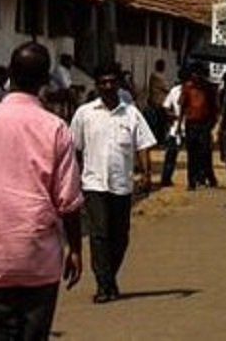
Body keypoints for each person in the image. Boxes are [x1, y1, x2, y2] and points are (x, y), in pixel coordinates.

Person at [0, 42, 84, 338]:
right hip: (38, 258)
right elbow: (68, 201)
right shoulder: (55, 128)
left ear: (9, 75)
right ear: (44, 81)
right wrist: (75, 248)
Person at [70, 62, 156, 303]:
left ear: (119, 84)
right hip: (94, 183)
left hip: (121, 184)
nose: (108, 86)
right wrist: (73, 178)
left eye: (112, 81)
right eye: (103, 82)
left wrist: (147, 174)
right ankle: (103, 285)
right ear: (97, 86)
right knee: (100, 234)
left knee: (120, 236)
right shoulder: (84, 114)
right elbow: (74, 148)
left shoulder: (131, 114)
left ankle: (110, 279)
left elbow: (143, 145)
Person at [181, 66, 220, 190]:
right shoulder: (188, 88)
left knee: (205, 152)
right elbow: (183, 106)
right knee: (192, 154)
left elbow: (214, 107)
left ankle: (208, 177)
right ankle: (191, 181)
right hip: (191, 124)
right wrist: (179, 125)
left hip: (204, 123)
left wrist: (212, 123)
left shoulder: (209, 89)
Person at [160, 73, 185, 187]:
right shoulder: (175, 91)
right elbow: (165, 107)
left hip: (193, 127)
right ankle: (166, 178)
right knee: (171, 155)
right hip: (175, 129)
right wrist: (172, 115)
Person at [146, 58, 171, 140]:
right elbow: (166, 88)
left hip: (156, 101)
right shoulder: (158, 76)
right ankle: (160, 139)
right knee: (161, 121)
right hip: (159, 102)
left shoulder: (154, 75)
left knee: (159, 121)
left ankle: (160, 138)